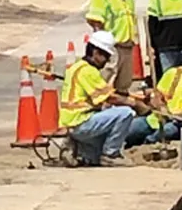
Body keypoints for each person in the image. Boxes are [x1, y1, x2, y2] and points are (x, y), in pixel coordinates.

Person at [61, 31, 146, 166]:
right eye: (105, 56)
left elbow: (104, 97)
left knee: (94, 157)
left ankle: (76, 148)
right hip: (80, 122)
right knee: (125, 113)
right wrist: (134, 104)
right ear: (95, 53)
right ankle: (111, 155)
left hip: (73, 122)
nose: (106, 61)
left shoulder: (77, 67)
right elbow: (110, 98)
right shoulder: (88, 71)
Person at [86, 0, 140, 92]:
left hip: (127, 46)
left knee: (124, 83)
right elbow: (96, 21)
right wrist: (102, 47)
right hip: (112, 48)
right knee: (104, 82)